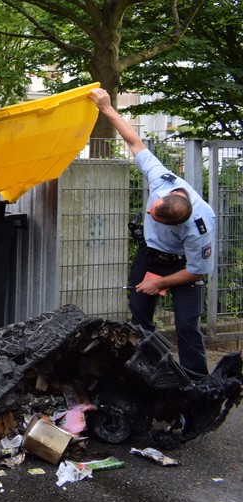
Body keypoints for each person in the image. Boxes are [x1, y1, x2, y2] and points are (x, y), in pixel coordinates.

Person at [89, 87, 215, 376]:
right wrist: (107, 108)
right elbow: (134, 141)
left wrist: (160, 283)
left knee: (186, 324)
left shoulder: (199, 227)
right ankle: (146, 374)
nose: (148, 211)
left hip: (183, 266)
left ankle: (195, 382)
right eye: (153, 207)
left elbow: (197, 270)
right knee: (140, 317)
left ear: (177, 224)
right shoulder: (162, 180)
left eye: (156, 216)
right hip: (150, 255)